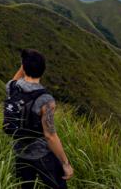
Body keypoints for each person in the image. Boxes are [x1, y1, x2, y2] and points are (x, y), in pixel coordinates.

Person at [9, 49, 73, 189]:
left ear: (24, 68)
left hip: (20, 153)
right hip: (41, 154)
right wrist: (65, 164)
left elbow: (16, 78)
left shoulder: (12, 88)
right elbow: (50, 135)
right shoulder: (46, 100)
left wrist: (24, 63)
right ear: (43, 70)